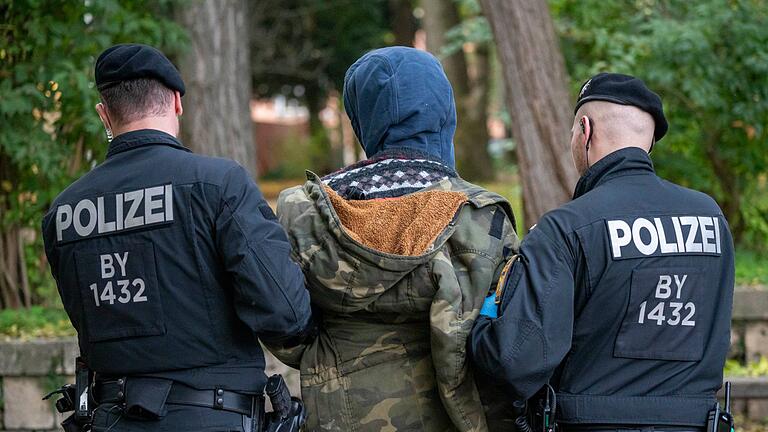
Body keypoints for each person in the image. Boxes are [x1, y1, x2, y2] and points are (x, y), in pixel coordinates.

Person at [41, 44, 314, 432]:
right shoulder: (218, 185)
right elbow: (286, 313)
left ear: (104, 113)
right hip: (216, 418)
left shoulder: (63, 212)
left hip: (108, 420)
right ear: (176, 102)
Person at [267, 46, 519, 431]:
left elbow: (283, 324)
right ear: (442, 112)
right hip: (458, 417)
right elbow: (506, 338)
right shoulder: (479, 214)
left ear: (361, 115)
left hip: (342, 415)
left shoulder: (305, 214)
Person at [468, 73, 735, 432]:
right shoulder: (711, 218)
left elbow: (515, 359)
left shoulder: (566, 227)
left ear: (585, 130)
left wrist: (484, 323)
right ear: (650, 142)